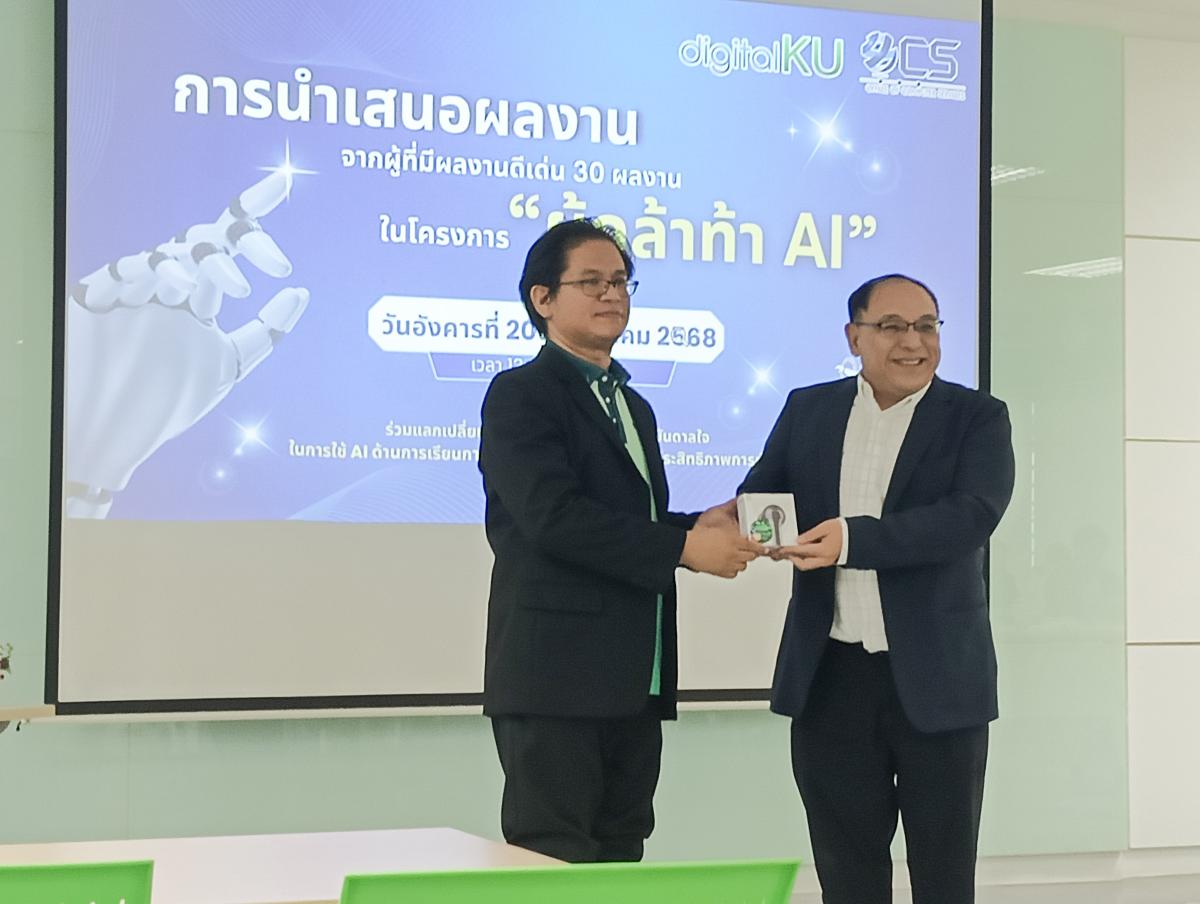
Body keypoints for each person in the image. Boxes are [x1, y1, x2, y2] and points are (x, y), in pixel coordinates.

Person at [478, 218, 762, 863]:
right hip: (555, 677)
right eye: (591, 282)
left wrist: (696, 526)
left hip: (634, 675)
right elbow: (553, 517)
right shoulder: (521, 394)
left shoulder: (634, 406)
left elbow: (626, 516)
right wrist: (682, 550)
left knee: (623, 851)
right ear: (542, 298)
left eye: (621, 281)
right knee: (554, 856)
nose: (612, 295)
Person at [739, 273, 1015, 903]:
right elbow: (764, 492)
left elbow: (971, 516)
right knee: (847, 871)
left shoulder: (977, 417)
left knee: (944, 875)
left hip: (938, 680)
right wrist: (747, 526)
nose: (913, 342)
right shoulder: (809, 408)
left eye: (927, 326)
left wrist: (852, 540)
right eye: (892, 326)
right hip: (831, 678)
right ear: (854, 336)